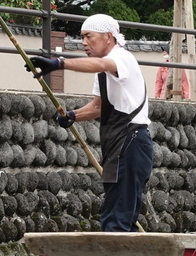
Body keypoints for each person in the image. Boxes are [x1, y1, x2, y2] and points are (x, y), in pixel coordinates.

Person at [30, 14, 153, 232]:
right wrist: (73, 115)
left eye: (89, 37)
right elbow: (98, 107)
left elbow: (99, 63)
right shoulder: (103, 71)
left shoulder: (121, 57)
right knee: (116, 206)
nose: (84, 43)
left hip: (131, 141)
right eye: (82, 37)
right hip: (117, 143)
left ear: (108, 37)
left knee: (118, 215)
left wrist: (59, 63)